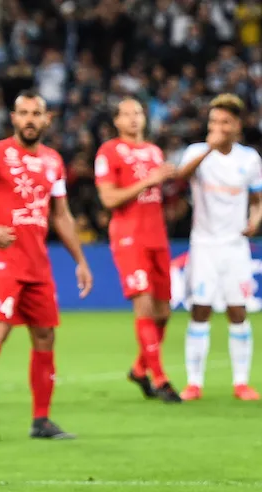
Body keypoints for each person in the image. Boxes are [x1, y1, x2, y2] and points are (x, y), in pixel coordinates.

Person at [0, 90, 94, 443]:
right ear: (13, 118)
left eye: (37, 113)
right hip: (3, 260)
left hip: (38, 263)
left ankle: (42, 420)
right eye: (24, 113)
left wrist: (80, 260)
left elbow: (61, 215)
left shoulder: (53, 161)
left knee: (46, 335)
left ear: (47, 119)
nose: (30, 119)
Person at [176, 94, 262, 401]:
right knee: (199, 309)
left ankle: (241, 382)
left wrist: (254, 220)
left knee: (237, 310)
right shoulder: (197, 152)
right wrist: (209, 151)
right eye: (213, 121)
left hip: (235, 246)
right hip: (203, 244)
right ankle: (194, 382)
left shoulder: (249, 159)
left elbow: (258, 202)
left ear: (237, 125)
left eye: (224, 122)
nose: (218, 126)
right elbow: (179, 178)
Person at [94, 97, 181, 403]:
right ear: (116, 121)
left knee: (164, 313)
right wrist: (149, 180)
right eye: (126, 114)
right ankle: (161, 379)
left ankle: (139, 369)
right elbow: (108, 199)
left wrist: (165, 181)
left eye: (138, 113)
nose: (133, 119)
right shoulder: (109, 151)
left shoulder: (154, 152)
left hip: (157, 236)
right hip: (129, 237)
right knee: (144, 306)